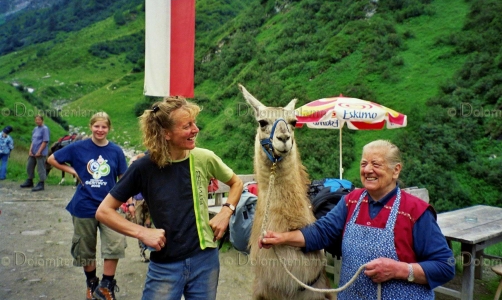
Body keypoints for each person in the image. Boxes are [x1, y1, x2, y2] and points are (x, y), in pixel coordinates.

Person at [260, 139, 455, 300]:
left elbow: (445, 266)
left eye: (376, 164)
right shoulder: (351, 201)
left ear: (396, 170)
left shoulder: (414, 211)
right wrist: (281, 238)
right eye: (364, 164)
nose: (368, 170)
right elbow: (321, 233)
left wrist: (399, 270)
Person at [96, 96, 243, 300]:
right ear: (166, 133)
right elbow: (104, 211)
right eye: (187, 126)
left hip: (205, 260)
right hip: (165, 265)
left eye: (194, 123)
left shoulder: (204, 157)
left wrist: (226, 211)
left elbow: (237, 183)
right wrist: (141, 232)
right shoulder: (143, 167)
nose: (196, 130)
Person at [47, 112, 128, 300]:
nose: (100, 130)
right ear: (91, 126)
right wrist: (73, 170)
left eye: (104, 127)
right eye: (96, 126)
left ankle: (107, 285)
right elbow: (52, 159)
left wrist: (127, 201)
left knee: (115, 244)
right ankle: (92, 284)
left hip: (109, 207)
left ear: (109, 128)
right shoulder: (78, 147)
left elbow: (123, 178)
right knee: (85, 248)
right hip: (84, 206)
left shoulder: (115, 151)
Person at [20, 115, 50, 191]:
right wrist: (30, 150)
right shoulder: (35, 129)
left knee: (40, 168)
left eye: (39, 120)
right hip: (33, 152)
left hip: (40, 153)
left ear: (42, 120)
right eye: (36, 120)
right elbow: (33, 141)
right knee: (29, 166)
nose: (37, 121)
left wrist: (39, 151)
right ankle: (30, 181)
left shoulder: (45, 129)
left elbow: (45, 141)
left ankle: (41, 183)